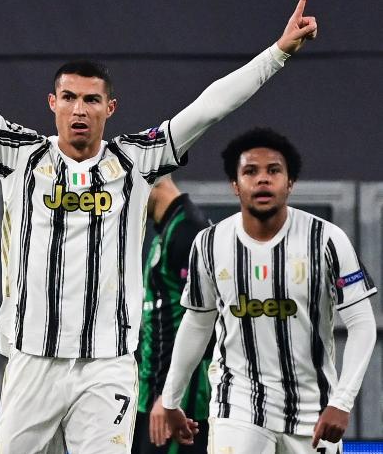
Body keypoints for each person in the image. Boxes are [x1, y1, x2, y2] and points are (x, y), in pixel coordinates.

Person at [0, 0, 317, 453]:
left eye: (91, 99)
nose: (79, 109)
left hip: (108, 365)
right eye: (69, 98)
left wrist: (277, 54)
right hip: (33, 359)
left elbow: (209, 107)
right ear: (52, 103)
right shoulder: (19, 156)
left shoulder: (137, 160)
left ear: (110, 108)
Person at [162, 128, 377, 453]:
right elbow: (197, 324)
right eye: (250, 171)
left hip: (313, 410)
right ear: (235, 184)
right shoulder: (209, 244)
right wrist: (171, 398)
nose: (262, 180)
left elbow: (362, 323)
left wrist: (342, 400)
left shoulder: (327, 240)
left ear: (290, 182)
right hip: (238, 407)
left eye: (273, 171)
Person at [134, 176, 211, 453]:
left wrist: (169, 395)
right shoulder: (165, 231)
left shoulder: (189, 231)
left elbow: (204, 322)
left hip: (178, 399)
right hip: (152, 394)